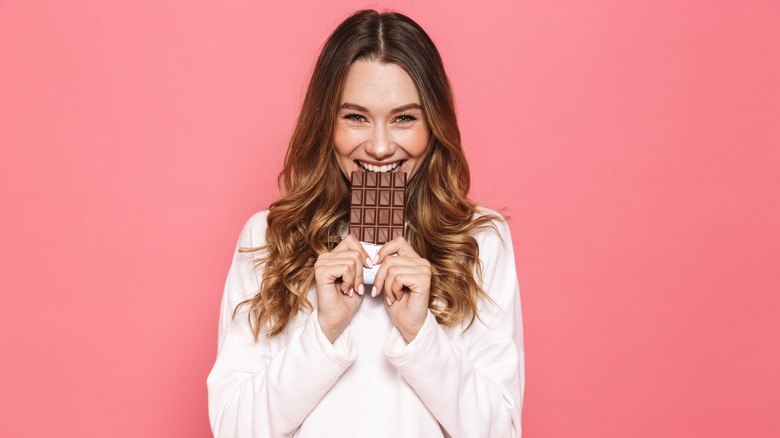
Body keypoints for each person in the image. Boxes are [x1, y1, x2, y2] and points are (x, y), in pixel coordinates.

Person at [207, 9, 524, 438]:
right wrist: (324, 330)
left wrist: (419, 334)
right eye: (355, 117)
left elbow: (500, 431)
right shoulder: (269, 238)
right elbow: (233, 429)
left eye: (404, 118)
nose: (378, 146)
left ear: (434, 125)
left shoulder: (479, 241)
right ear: (326, 122)